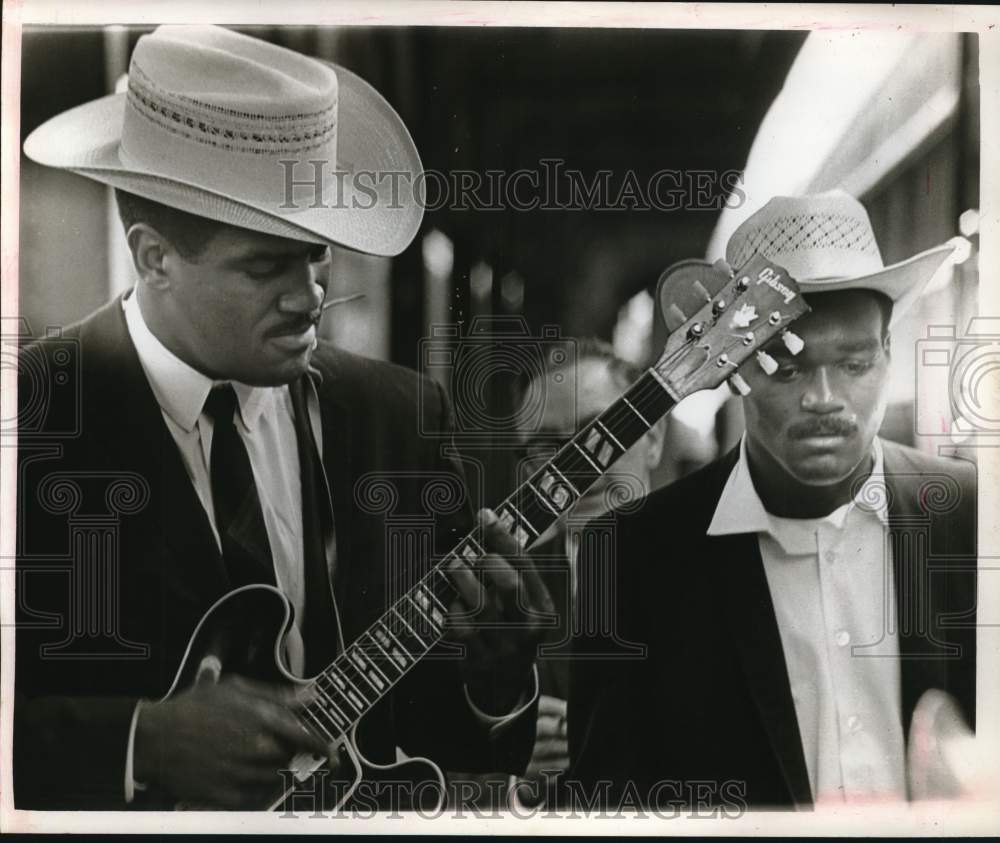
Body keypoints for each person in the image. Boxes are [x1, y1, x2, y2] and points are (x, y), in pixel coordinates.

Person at [15, 25, 550, 811]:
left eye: (317, 254)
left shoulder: (397, 418)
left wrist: (494, 681)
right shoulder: (29, 419)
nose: (310, 296)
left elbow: (441, 744)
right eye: (266, 267)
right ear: (153, 256)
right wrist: (139, 742)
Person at [568, 192, 977, 809]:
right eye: (786, 369)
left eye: (855, 363)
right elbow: (607, 808)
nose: (824, 398)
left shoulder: (973, 517)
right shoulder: (632, 556)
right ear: (734, 372)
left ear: (889, 356)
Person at [512, 339, 667, 806]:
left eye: (598, 434)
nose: (576, 468)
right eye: (546, 446)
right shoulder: (509, 589)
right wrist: (512, 774)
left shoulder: (725, 567)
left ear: (654, 438)